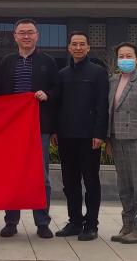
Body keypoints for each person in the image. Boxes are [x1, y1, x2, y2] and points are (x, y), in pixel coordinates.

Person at [0, 19, 59, 239]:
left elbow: (58, 89)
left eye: (30, 32)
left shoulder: (48, 61)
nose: (26, 36)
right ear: (15, 36)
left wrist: (47, 95)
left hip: (39, 127)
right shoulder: (7, 62)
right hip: (12, 128)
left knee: (41, 176)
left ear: (37, 36)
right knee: (12, 174)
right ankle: (11, 221)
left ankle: (42, 222)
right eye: (21, 33)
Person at [53, 30, 109, 241]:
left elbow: (102, 105)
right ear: (69, 47)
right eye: (74, 44)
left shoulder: (98, 72)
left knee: (91, 181)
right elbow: (58, 105)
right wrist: (55, 130)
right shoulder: (62, 74)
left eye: (81, 44)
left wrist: (99, 133)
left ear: (88, 47)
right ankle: (75, 221)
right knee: (70, 183)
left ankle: (91, 224)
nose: (78, 48)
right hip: (66, 136)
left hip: (89, 137)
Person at [106, 42, 137, 244]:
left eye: (129, 56)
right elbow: (110, 111)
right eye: (121, 56)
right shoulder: (113, 80)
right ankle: (127, 225)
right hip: (117, 139)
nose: (124, 60)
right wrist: (108, 139)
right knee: (124, 187)